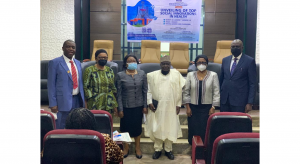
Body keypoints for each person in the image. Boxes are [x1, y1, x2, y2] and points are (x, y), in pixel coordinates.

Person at [145, 55, 185, 160]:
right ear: (160, 65)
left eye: (167, 64)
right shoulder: (152, 75)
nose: (165, 66)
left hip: (171, 106)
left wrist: (178, 104)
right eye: (163, 64)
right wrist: (149, 102)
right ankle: (157, 149)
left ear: (170, 65)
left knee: (170, 127)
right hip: (157, 107)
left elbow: (180, 91)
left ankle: (168, 149)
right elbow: (148, 90)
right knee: (157, 126)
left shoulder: (176, 74)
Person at [115, 54, 148, 159]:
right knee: (125, 128)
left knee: (137, 128)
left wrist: (145, 106)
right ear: (125, 63)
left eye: (134, 61)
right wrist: (120, 108)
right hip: (125, 107)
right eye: (129, 61)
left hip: (138, 106)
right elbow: (118, 94)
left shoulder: (142, 74)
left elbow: (145, 91)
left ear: (137, 62)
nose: (132, 62)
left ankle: (138, 147)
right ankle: (126, 148)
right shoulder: (120, 75)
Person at [183, 55, 220, 145]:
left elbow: (216, 92)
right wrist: (187, 107)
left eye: (203, 62)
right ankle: (194, 149)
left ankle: (203, 150)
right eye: (199, 62)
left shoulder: (213, 75)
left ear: (207, 64)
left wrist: (213, 107)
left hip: (207, 108)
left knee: (205, 129)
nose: (201, 64)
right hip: (193, 108)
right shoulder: (190, 75)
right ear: (195, 64)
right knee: (193, 128)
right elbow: (186, 91)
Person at [48, 40, 85, 129]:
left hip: (77, 100)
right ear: (63, 48)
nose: (71, 49)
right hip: (62, 101)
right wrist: (53, 103)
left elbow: (80, 82)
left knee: (75, 126)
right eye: (68, 46)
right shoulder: (55, 63)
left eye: (73, 47)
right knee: (61, 126)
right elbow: (51, 84)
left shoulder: (78, 63)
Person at [219, 39, 256, 113]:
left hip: (240, 101)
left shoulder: (249, 61)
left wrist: (250, 102)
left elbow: (253, 84)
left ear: (242, 48)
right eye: (233, 46)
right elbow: (221, 79)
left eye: (237, 46)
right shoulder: (225, 60)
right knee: (224, 123)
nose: (235, 48)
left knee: (237, 123)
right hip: (225, 99)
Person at [83, 49, 118, 114]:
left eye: (105, 57)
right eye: (100, 57)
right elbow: (85, 87)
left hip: (109, 102)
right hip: (94, 102)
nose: (103, 59)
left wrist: (115, 104)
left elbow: (113, 88)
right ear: (96, 59)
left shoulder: (110, 70)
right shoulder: (89, 70)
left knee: (108, 122)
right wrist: (85, 105)